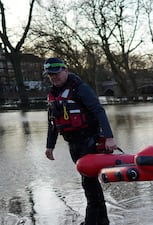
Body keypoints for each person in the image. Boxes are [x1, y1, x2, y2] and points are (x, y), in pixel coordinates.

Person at [44, 57, 118, 225]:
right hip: (73, 144)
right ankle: (102, 221)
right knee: (89, 183)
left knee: (88, 182)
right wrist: (50, 145)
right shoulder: (53, 94)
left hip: (89, 141)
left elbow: (99, 111)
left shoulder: (80, 88)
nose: (54, 77)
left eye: (57, 73)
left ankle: (91, 221)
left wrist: (109, 137)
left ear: (66, 71)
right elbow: (52, 122)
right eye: (50, 75)